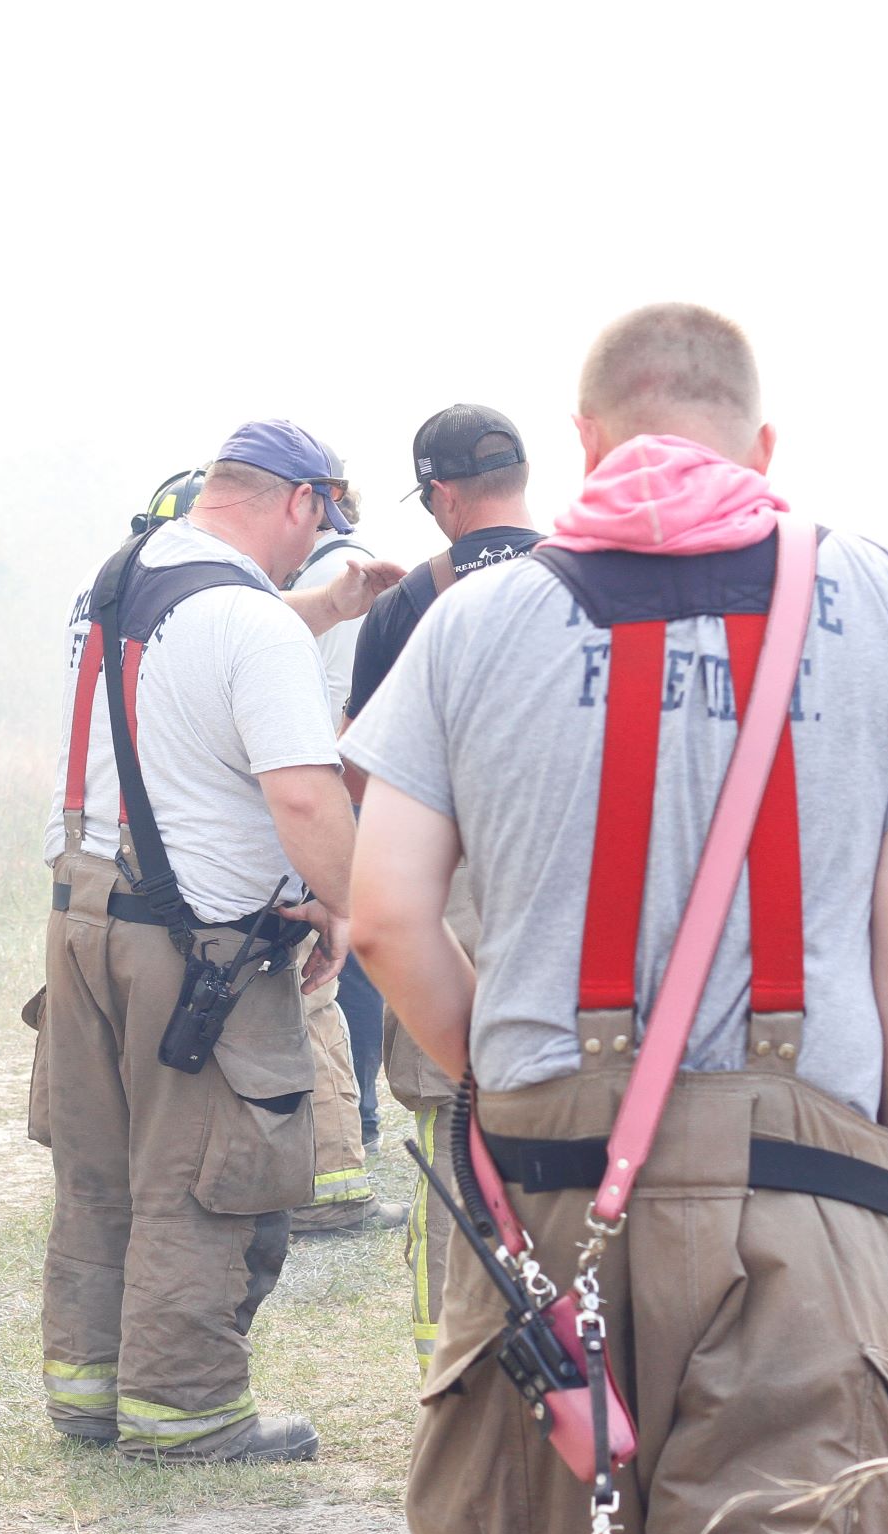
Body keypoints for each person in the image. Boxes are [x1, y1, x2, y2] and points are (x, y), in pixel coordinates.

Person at [345, 305, 888, 1534]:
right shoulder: (883, 599)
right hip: (806, 1182)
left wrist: (503, 1079)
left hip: (541, 1186)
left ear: (586, 443)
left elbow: (381, 918)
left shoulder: (471, 623)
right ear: (761, 444)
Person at [34, 421, 397, 1464]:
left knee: (99, 1176)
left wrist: (325, 607)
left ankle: (90, 1395)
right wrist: (353, 910)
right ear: (300, 504)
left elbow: (208, 644)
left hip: (82, 923)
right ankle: (184, 1411)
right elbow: (301, 793)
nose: (312, 553)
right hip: (193, 952)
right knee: (203, 1179)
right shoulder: (250, 620)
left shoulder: (118, 585)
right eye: (317, 531)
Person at [342, 402, 545, 1370]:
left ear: (442, 496)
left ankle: (448, 1368)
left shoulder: (406, 608)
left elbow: (360, 776)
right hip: (566, 885)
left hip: (448, 893)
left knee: (447, 1124)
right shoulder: (584, 586)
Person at [281, 460, 403, 1236]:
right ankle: (348, 1127)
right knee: (345, 970)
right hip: (350, 790)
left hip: (329, 789)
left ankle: (346, 1128)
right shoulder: (339, 585)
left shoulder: (316, 589)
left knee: (337, 967)